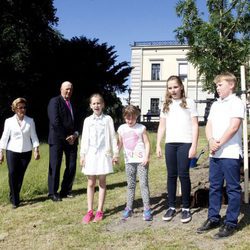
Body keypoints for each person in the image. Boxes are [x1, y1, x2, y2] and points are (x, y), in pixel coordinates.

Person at [197, 72, 245, 239]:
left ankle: (231, 222)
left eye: (220, 85)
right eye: (216, 85)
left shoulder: (237, 102)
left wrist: (219, 143)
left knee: (233, 188)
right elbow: (208, 124)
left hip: (230, 153)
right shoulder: (216, 105)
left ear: (231, 85)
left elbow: (234, 127)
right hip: (215, 153)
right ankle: (213, 218)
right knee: (215, 187)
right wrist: (211, 140)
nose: (217, 88)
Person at [156, 75, 199, 223]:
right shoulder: (165, 105)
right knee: (171, 176)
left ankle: (186, 208)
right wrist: (158, 145)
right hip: (170, 144)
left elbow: (195, 125)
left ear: (181, 86)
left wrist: (194, 145)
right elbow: (162, 126)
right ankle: (171, 206)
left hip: (185, 143)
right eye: (170, 88)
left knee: (184, 175)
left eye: (175, 87)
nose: (173, 90)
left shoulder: (189, 103)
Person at [80, 93, 118, 223]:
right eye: (94, 103)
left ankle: (99, 210)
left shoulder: (108, 119)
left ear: (103, 105)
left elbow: (113, 137)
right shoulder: (87, 120)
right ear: (90, 105)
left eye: (99, 103)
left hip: (103, 154)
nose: (96, 105)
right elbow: (84, 139)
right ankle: (89, 211)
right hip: (90, 154)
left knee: (102, 182)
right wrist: (82, 155)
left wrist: (115, 154)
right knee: (91, 182)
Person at [0, 98, 40, 208]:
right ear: (15, 109)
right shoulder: (9, 121)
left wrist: (36, 149)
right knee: (12, 173)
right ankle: (15, 200)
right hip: (11, 151)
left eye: (24, 107)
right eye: (20, 107)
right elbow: (4, 137)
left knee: (20, 175)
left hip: (26, 152)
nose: (22, 109)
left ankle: (13, 194)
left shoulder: (30, 121)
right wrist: (1, 152)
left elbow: (34, 136)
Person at [117, 105, 152, 221]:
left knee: (143, 184)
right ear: (124, 117)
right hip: (129, 161)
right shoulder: (122, 128)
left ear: (136, 116)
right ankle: (129, 208)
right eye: (127, 118)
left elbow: (147, 143)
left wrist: (146, 157)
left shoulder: (141, 128)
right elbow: (120, 143)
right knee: (131, 185)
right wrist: (115, 154)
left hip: (142, 161)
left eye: (132, 118)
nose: (130, 120)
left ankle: (147, 208)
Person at [47, 81, 79, 201]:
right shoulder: (54, 102)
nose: (69, 91)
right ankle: (52, 192)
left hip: (73, 139)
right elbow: (55, 122)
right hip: (57, 139)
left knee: (71, 166)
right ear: (61, 89)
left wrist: (75, 135)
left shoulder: (73, 103)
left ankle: (65, 190)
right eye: (66, 89)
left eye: (70, 89)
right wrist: (66, 136)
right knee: (55, 166)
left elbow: (78, 121)